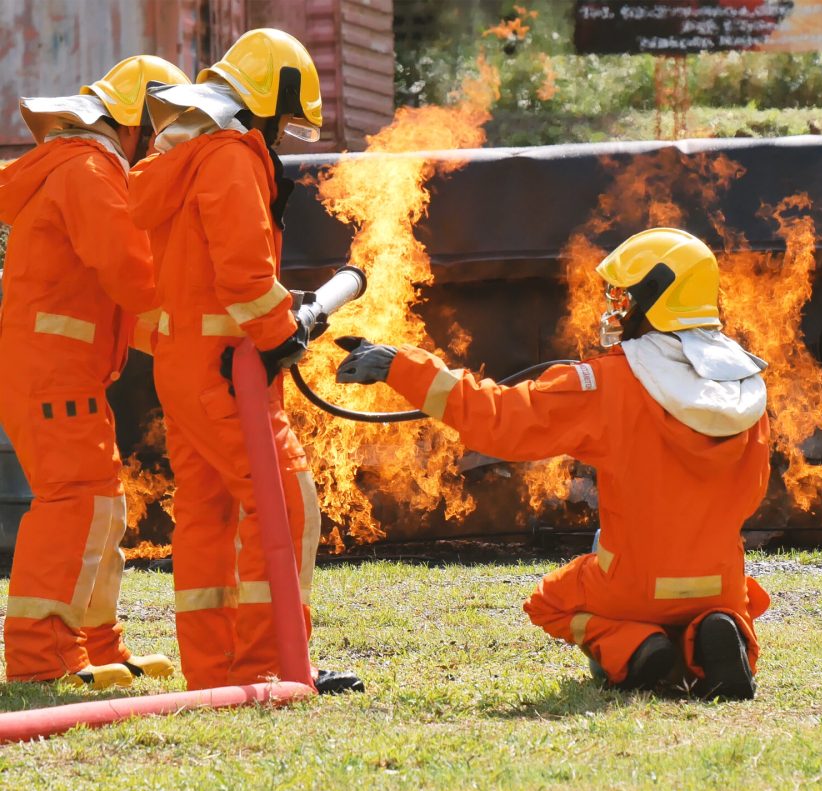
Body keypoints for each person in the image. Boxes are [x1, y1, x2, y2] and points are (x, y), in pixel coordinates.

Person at [337, 228, 772, 699]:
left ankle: (635, 646)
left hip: (630, 582)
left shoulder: (609, 382)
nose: (616, 307)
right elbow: (751, 493)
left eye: (625, 296)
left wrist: (401, 365)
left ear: (654, 299)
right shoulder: (746, 386)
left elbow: (500, 419)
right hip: (719, 579)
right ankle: (715, 630)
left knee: (549, 602)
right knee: (713, 599)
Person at [128, 29, 362, 694]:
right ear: (265, 102)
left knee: (207, 516)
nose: (281, 137)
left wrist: (276, 311)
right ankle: (270, 667)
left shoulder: (187, 156)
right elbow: (240, 269)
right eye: (284, 121)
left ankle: (214, 675)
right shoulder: (231, 156)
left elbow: (203, 269)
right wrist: (276, 328)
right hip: (226, 367)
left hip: (188, 362)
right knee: (285, 505)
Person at [0, 56, 189, 689]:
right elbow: (133, 275)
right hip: (55, 376)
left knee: (101, 506)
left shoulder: (80, 168)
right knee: (76, 505)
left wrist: (190, 339)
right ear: (133, 124)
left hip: (62, 374)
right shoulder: (90, 170)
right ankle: (40, 658)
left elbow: (110, 303)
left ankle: (97, 647)